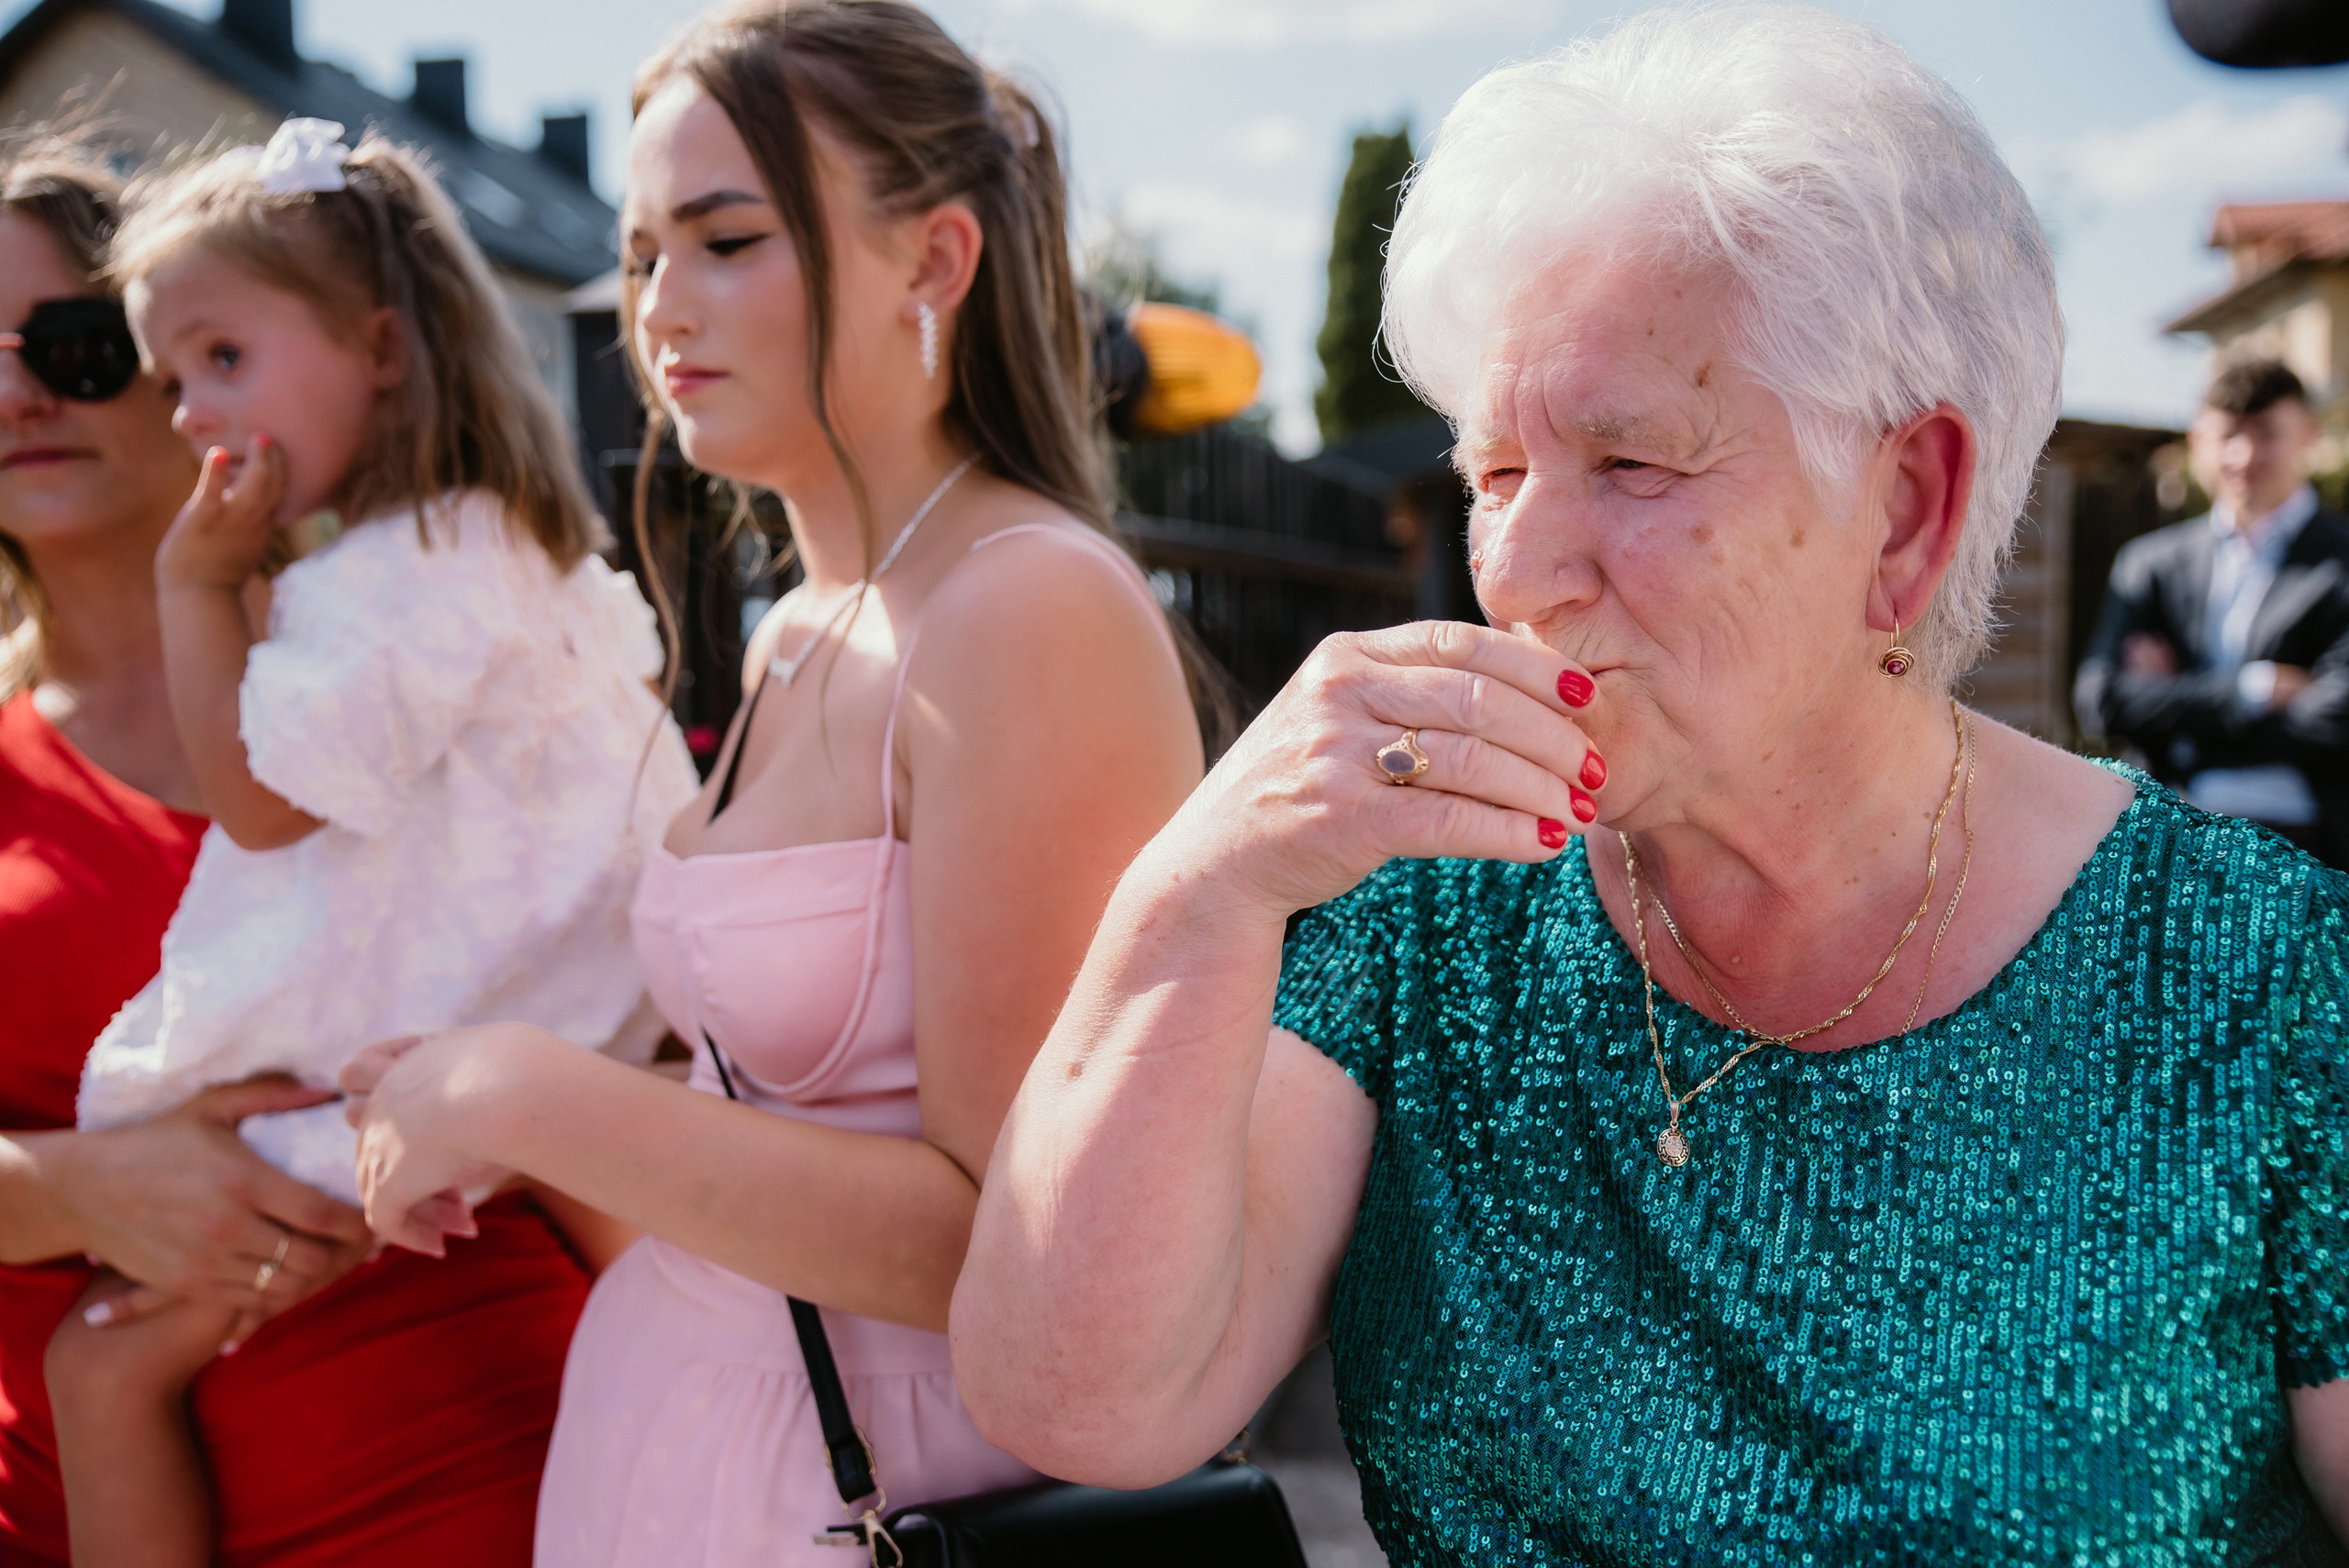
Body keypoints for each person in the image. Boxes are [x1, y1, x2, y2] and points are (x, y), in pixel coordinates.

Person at [951, 9, 2349, 1564]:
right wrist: (1199, 884)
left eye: (1630, 465)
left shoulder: (2258, 979)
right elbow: (1075, 1400)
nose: (1521, 571)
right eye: (1495, 472)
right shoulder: (1424, 900)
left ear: (1904, 510)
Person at [340, 4, 1206, 1563]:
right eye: (644, 249)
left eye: (727, 237)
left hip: (880, 1489)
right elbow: (795, 1104)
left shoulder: (1025, 606)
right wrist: (485, 1090)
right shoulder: (800, 624)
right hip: (689, 1434)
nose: (661, 303)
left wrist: (525, 1089)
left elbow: (1005, 1235)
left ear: (934, 263)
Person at [39, 119, 696, 1567]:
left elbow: (261, 802)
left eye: (222, 360)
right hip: (525, 1017)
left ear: (382, 348)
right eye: (170, 376)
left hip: (378, 1070)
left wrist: (199, 585)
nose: (194, 411)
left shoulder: (382, 585)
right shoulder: (503, 545)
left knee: (102, 1369)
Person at [2076, 358, 2349, 869]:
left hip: (2313, 847)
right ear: (2199, 439)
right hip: (2171, 837)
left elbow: (2339, 717)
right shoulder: (2150, 563)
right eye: (2227, 436)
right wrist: (2254, 691)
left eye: (2266, 435)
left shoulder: (2341, 562)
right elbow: (2100, 699)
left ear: (2309, 434)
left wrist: (2178, 712)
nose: (2243, 455)